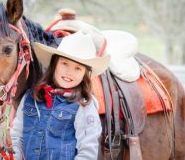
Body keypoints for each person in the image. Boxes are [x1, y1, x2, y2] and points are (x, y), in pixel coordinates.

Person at [10, 31, 110, 160]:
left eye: (78, 68)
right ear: (55, 63)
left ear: (85, 74)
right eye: (65, 64)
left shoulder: (83, 106)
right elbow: (17, 137)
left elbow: (87, 151)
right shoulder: (30, 97)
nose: (69, 72)